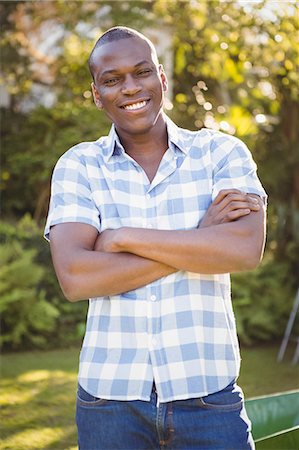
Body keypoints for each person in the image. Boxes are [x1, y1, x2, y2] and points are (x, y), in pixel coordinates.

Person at [45, 26, 266, 450]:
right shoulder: (79, 166)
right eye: (112, 79)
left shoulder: (222, 154)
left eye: (141, 72)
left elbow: (243, 249)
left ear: (161, 79)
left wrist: (121, 237)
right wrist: (200, 240)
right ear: (96, 93)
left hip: (208, 397)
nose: (130, 88)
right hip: (109, 401)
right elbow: (76, 276)